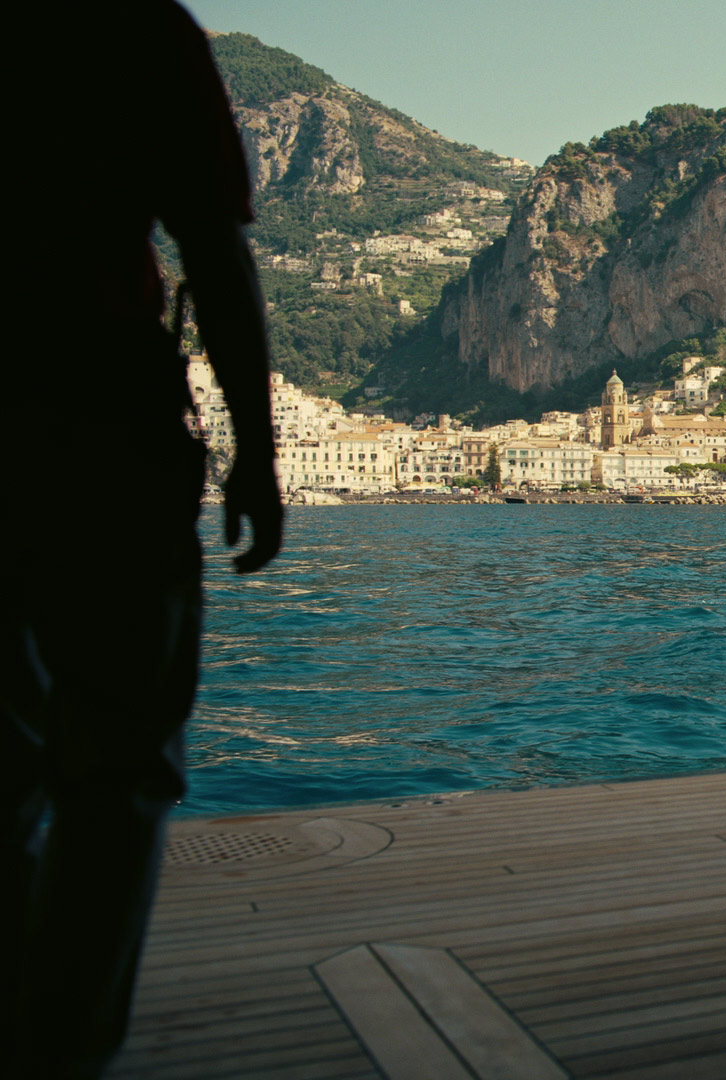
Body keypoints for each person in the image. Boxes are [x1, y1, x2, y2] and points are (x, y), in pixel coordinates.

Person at [4, 3, 283, 1076]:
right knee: (117, 771)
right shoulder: (135, 29)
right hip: (103, 429)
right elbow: (215, 251)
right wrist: (252, 455)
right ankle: (65, 1049)